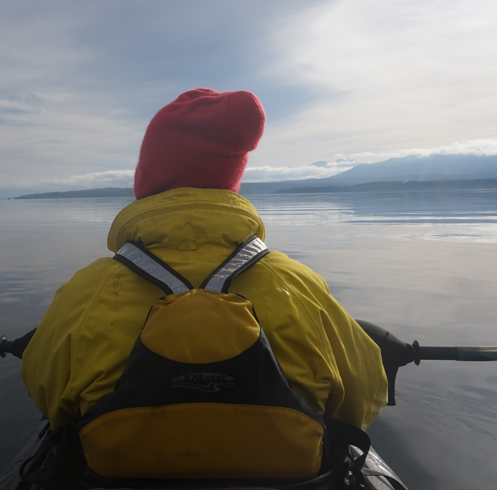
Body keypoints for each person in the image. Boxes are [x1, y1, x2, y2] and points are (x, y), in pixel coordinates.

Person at [20, 88, 387, 479]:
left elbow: (47, 398)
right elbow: (364, 397)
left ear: (147, 181)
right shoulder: (296, 285)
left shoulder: (88, 291)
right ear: (231, 181)